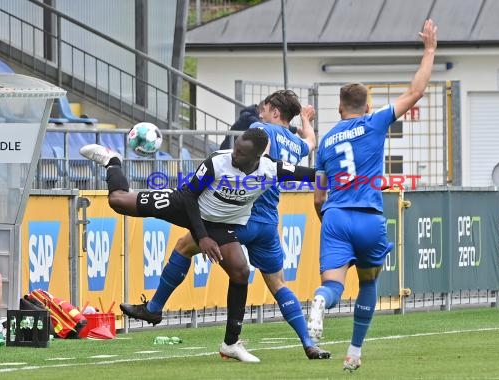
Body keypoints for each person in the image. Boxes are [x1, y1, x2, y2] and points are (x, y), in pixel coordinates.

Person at [120, 90, 331, 360]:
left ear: (275, 112)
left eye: (264, 107)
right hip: (268, 223)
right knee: (278, 284)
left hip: (239, 217)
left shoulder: (260, 130)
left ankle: (154, 307)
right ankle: (308, 343)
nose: (259, 111)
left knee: (185, 245)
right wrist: (307, 121)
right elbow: (310, 142)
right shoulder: (295, 143)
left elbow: (258, 160)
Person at [79, 128, 315, 363]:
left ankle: (231, 343)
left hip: (220, 224)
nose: (234, 154)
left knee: (241, 272)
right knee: (118, 201)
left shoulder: (272, 169)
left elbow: (315, 175)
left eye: (241, 153)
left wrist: (348, 177)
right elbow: (190, 196)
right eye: (236, 147)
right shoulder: (217, 162)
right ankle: (112, 161)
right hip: (185, 205)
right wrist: (201, 237)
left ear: (258, 157)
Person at [307, 19, 438, 372]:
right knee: (368, 281)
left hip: (335, 216)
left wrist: (330, 219)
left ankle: (319, 303)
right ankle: (354, 351)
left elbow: (318, 196)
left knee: (332, 285)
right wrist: (428, 51)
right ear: (367, 107)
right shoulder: (374, 122)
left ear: (338, 108)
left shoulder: (327, 141)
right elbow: (416, 92)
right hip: (368, 216)